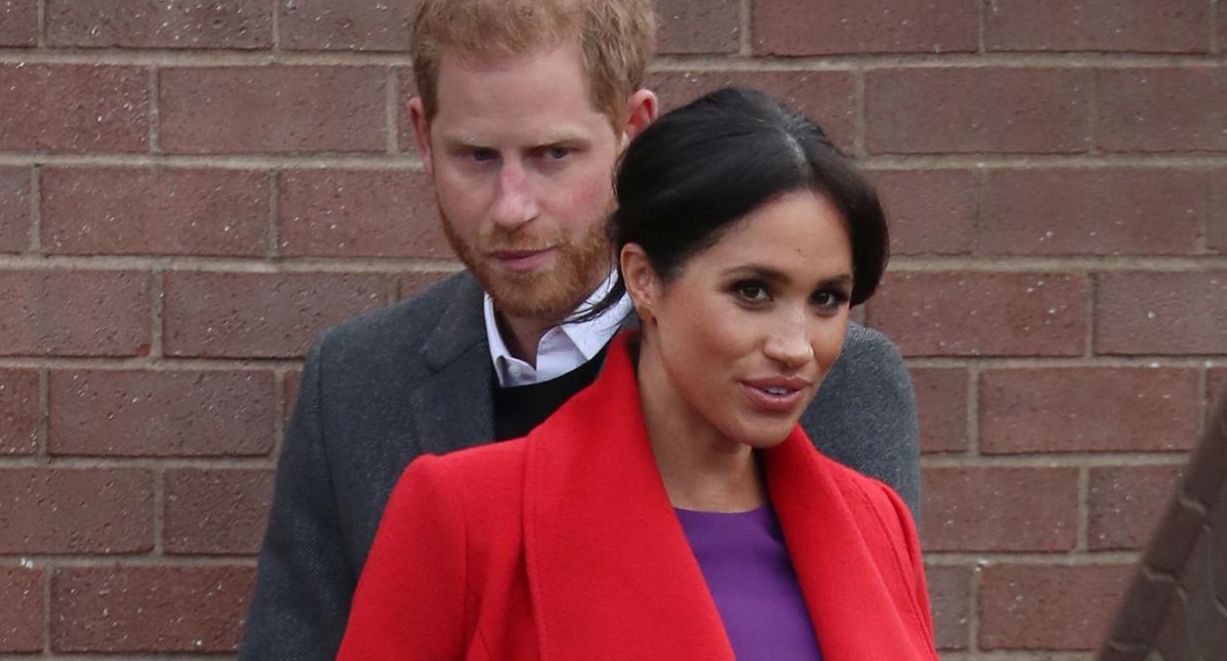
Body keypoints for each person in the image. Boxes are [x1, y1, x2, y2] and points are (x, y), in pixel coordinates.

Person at [239, 0, 920, 659]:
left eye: (552, 155)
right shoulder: (355, 379)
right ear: (422, 137)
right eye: (477, 156)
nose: (512, 207)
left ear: (634, 131)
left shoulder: (837, 379)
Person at [335, 88, 936, 660]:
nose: (795, 346)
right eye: (752, 291)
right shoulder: (465, 515)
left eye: (828, 300)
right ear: (644, 279)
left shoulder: (876, 522)